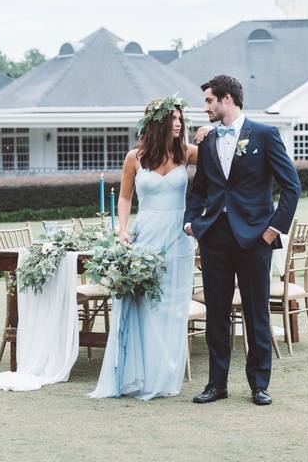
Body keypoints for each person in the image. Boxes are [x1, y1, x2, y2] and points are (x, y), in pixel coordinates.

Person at [184, 75, 300, 406]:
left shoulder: (264, 135)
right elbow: (201, 188)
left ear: (227, 100)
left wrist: (273, 229)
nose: (205, 107)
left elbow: (291, 187)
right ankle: (216, 385)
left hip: (255, 239)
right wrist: (191, 221)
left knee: (256, 313)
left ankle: (259, 385)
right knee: (216, 313)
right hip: (214, 239)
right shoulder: (206, 140)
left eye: (209, 100)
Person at [89, 95, 201, 400]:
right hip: (147, 236)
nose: (178, 124)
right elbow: (125, 199)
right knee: (144, 306)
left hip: (179, 237)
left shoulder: (188, 153)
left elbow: (222, 160)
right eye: (172, 119)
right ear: (157, 123)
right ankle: (138, 375)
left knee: (172, 308)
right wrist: (122, 229)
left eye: (181, 119)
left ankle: (165, 376)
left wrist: (209, 135)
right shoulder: (134, 158)